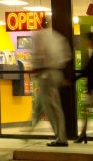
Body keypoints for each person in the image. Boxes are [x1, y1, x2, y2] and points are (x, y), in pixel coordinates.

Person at [29, 15, 71, 146]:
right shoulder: (58, 37)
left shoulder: (39, 35)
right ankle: (31, 127)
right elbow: (66, 56)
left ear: (40, 23)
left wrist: (35, 69)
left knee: (52, 107)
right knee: (44, 103)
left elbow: (39, 54)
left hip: (46, 75)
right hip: (57, 73)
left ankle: (61, 138)